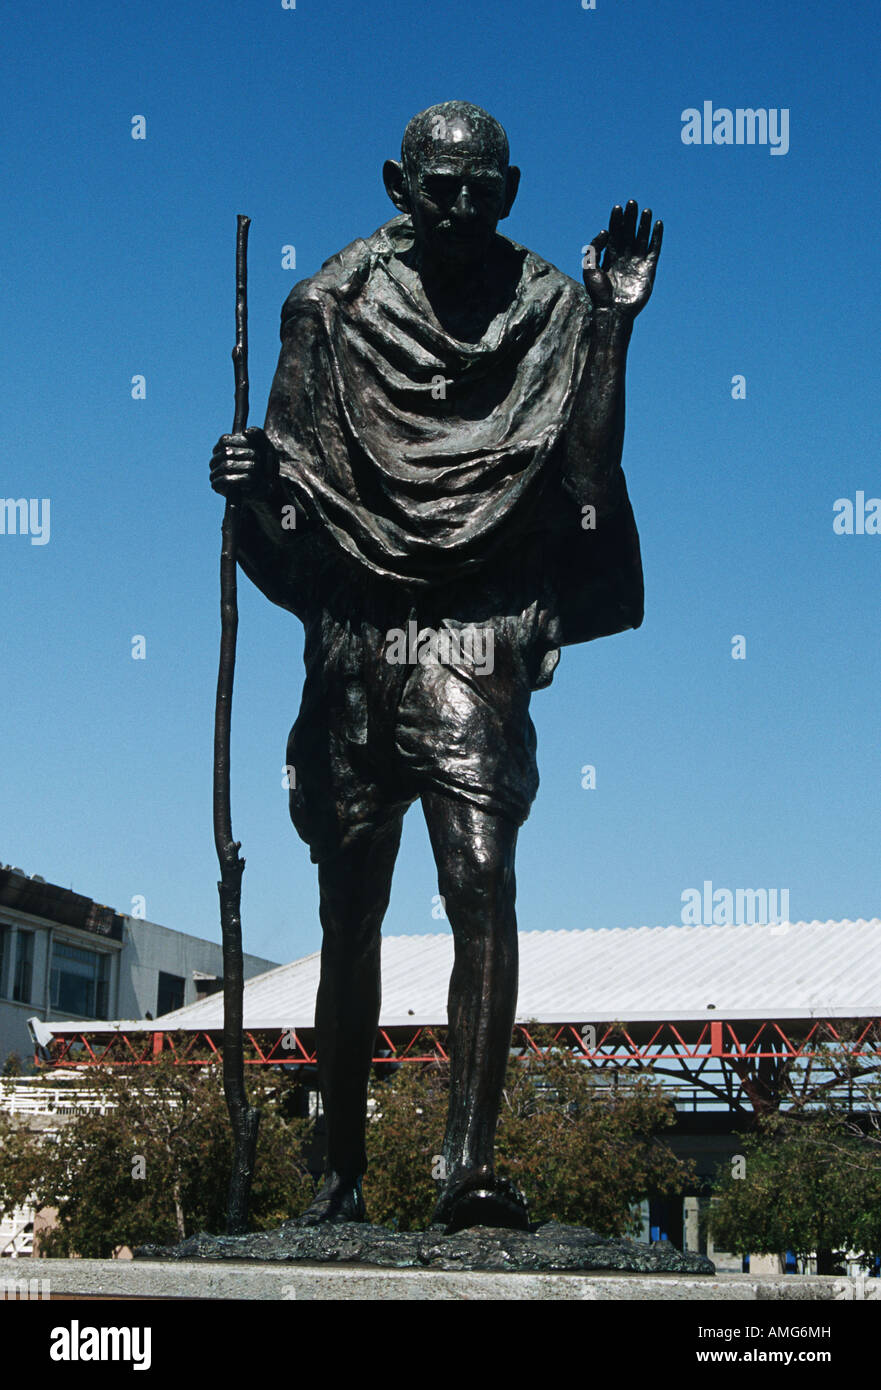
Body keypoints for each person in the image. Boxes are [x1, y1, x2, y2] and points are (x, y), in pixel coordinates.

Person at [210, 100, 662, 1232]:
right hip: (361, 636)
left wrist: (610, 326)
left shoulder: (554, 305)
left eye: (482, 187)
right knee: (347, 912)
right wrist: (251, 483)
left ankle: (466, 1168)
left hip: (474, 631)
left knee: (480, 884)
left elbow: (586, 474)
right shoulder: (326, 305)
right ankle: (338, 1177)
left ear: (509, 189)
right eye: (438, 186)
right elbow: (298, 512)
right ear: (395, 183)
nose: (461, 206)